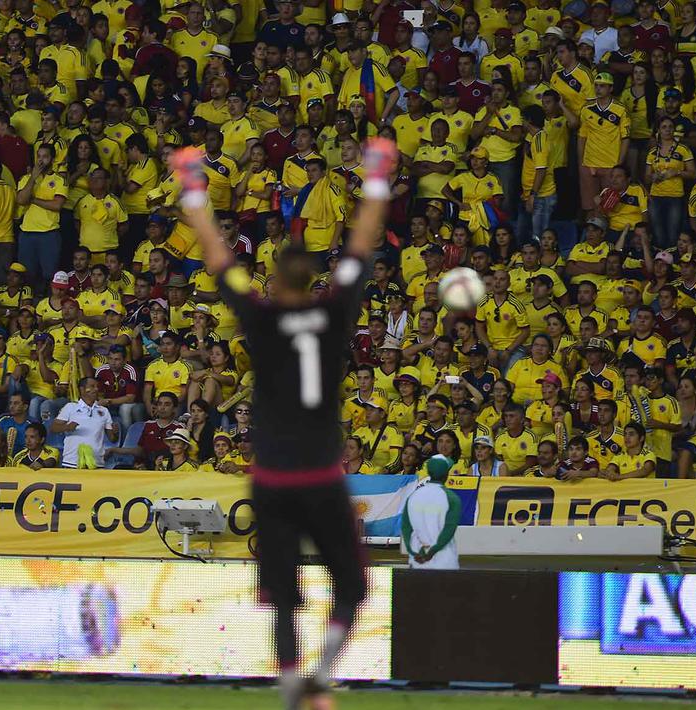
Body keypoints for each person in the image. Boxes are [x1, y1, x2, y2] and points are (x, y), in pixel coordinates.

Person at [173, 137, 395, 708]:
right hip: (322, 477)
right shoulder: (335, 309)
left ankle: (293, 684)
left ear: (275, 282)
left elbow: (218, 259)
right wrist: (375, 177)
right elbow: (363, 243)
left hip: (271, 479)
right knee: (351, 587)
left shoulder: (259, 316)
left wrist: (194, 188)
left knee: (283, 595)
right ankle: (324, 669)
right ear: (314, 280)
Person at [401, 454, 463, 570]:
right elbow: (449, 529)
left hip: (417, 561)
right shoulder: (452, 498)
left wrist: (413, 552)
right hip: (445, 561)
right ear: (446, 474)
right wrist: (432, 552)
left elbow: (406, 528)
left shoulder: (413, 496)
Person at [51, 376, 118, 468]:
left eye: (97, 386)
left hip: (96, 463)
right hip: (72, 463)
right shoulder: (70, 407)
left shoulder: (104, 411)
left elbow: (112, 439)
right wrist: (66, 427)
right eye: (92, 386)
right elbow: (53, 428)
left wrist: (115, 432)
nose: (96, 389)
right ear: (82, 390)